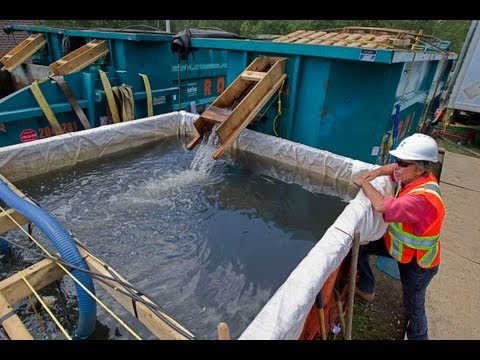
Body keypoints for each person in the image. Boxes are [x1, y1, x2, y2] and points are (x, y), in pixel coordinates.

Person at [353, 133, 445, 340]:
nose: (397, 167)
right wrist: (375, 173)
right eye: (398, 161)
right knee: (362, 247)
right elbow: (390, 170)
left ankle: (419, 338)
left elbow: (380, 205)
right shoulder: (414, 177)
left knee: (414, 307)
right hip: (399, 248)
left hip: (419, 264)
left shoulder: (422, 199)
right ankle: (367, 288)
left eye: (403, 163)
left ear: (420, 168)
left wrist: (364, 183)